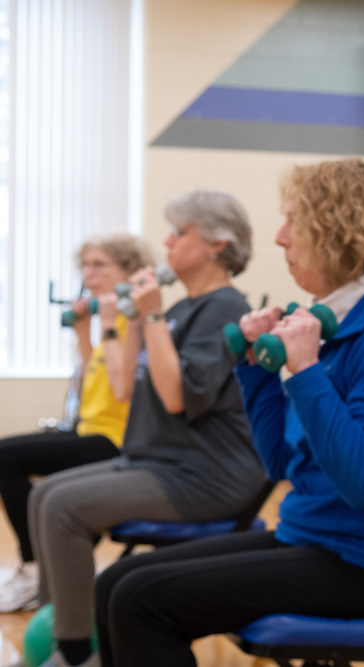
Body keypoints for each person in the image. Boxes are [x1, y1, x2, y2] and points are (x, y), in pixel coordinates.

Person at [93, 158, 364, 667]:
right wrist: (254, 371)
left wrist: (304, 372)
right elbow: (280, 463)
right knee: (114, 583)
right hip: (310, 537)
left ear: (335, 230)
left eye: (293, 221)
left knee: (141, 601)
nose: (280, 238)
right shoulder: (328, 325)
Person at [12, 190, 264, 667]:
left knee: (64, 505)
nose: (166, 242)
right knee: (45, 497)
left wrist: (149, 315)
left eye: (179, 232)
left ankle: (73, 654)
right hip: (158, 462)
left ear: (217, 243)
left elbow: (175, 396)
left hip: (206, 478)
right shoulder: (182, 309)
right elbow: (123, 385)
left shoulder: (224, 308)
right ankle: (61, 625)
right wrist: (124, 319)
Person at [0, 234, 153, 613]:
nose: (89, 273)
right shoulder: (106, 319)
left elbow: (121, 390)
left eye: (99, 264)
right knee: (8, 455)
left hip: (118, 439)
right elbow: (91, 382)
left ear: (129, 270)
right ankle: (41, 568)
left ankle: (36, 571)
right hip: (88, 428)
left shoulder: (132, 319)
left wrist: (104, 322)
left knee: (5, 457)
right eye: (85, 265)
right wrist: (82, 333)